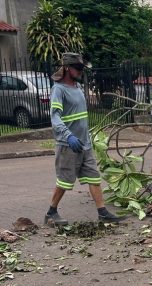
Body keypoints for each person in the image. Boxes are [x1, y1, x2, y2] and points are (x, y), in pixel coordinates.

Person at [44, 52, 125, 226]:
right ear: (67, 68)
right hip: (68, 144)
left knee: (94, 177)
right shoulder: (59, 89)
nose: (81, 71)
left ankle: (102, 213)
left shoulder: (77, 87)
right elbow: (55, 117)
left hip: (84, 143)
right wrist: (69, 135)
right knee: (65, 181)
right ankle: (51, 212)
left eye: (82, 68)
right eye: (78, 68)